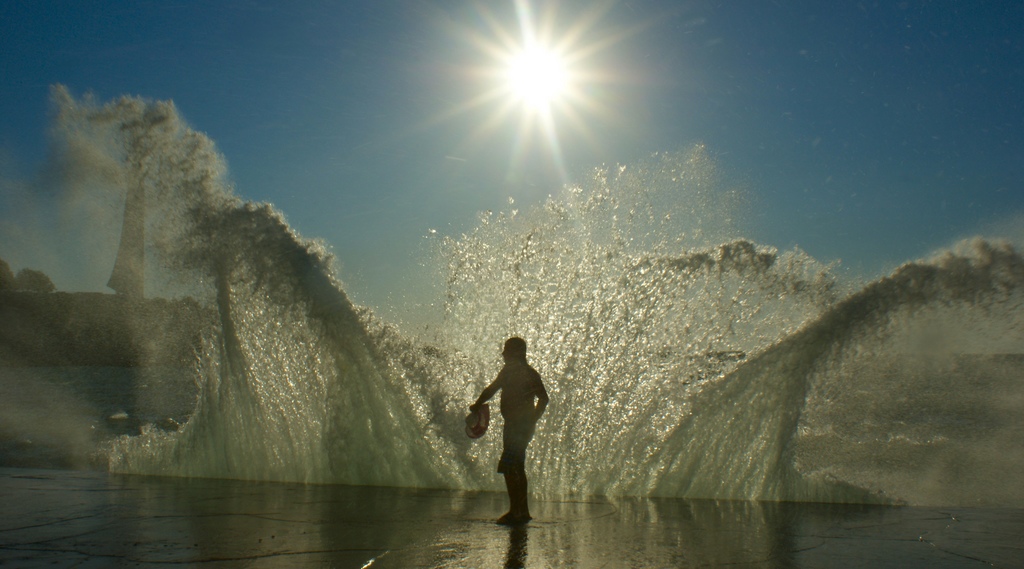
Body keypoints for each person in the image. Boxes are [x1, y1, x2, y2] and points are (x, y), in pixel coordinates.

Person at [471, 337, 549, 525]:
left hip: (518, 426)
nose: (503, 354)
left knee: (510, 467)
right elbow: (493, 389)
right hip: (518, 426)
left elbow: (543, 399)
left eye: (506, 350)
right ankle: (522, 511)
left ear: (516, 353)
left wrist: (531, 419)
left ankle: (517, 512)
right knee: (516, 467)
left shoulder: (520, 373)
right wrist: (479, 403)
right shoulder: (523, 372)